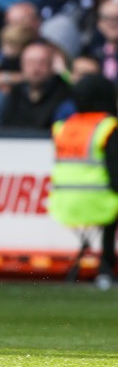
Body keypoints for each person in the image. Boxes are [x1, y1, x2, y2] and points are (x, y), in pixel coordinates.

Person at [48, 74, 118, 290]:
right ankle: (106, 268)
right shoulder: (108, 127)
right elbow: (115, 173)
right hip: (99, 203)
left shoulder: (62, 127)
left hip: (62, 203)